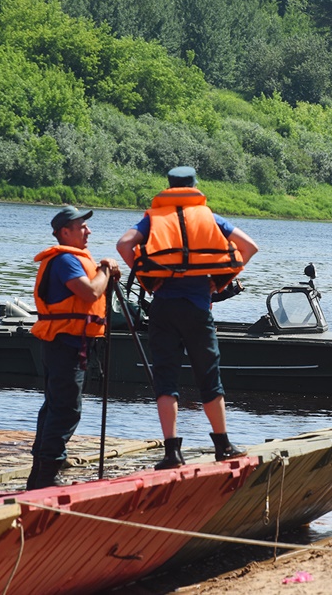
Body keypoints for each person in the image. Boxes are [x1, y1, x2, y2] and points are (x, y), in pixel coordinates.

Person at [116, 167, 258, 470]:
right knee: (209, 377)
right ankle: (223, 445)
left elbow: (124, 245)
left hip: (163, 308)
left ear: (168, 187)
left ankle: (172, 453)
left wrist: (147, 279)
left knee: (166, 379)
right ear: (194, 186)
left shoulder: (154, 218)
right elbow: (250, 247)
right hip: (197, 308)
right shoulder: (210, 218)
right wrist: (219, 281)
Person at [28, 206, 120, 490]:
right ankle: (47, 473)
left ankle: (40, 472)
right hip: (64, 344)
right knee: (67, 409)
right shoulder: (66, 260)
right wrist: (105, 269)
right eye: (82, 226)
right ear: (65, 232)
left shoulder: (71, 259)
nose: (88, 231)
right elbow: (91, 291)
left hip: (69, 342)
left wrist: (104, 272)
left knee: (56, 405)